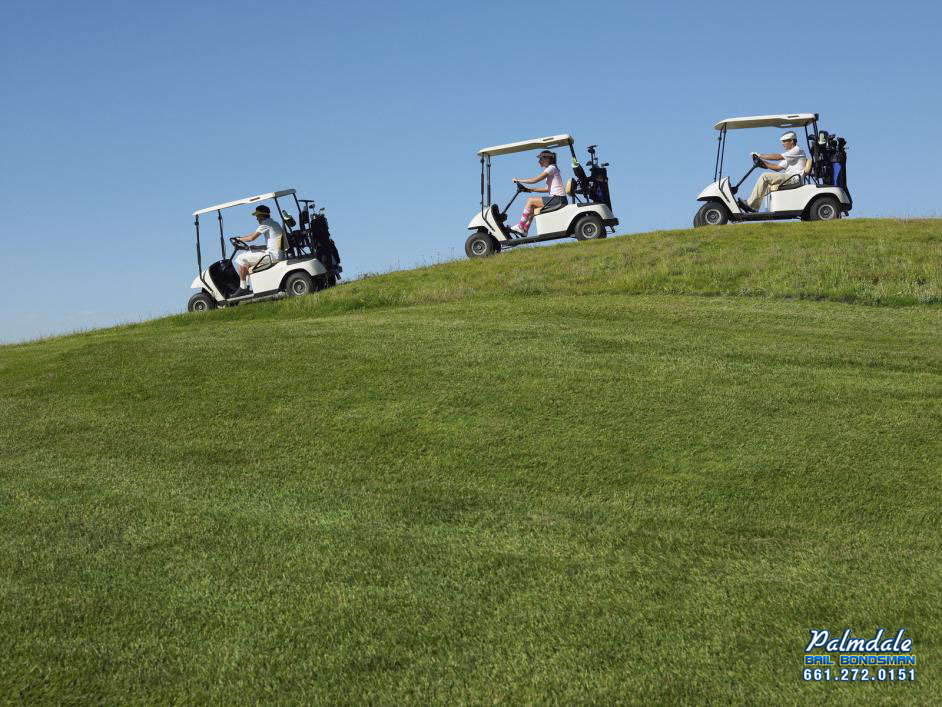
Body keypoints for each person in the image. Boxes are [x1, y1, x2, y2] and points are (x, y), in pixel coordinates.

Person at [738, 131, 807, 213]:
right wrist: (763, 162)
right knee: (765, 181)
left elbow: (777, 157)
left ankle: (751, 204)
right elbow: (777, 168)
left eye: (784, 141)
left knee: (765, 176)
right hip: (789, 177)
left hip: (794, 178)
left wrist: (760, 155)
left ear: (792, 141)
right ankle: (754, 207)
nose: (782, 143)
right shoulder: (790, 155)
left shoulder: (797, 150)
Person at [231, 205, 286, 298]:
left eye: (257, 216)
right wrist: (258, 248)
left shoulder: (266, 224)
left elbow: (251, 237)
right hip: (275, 254)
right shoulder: (274, 223)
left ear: (262, 215)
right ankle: (246, 287)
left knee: (241, 258)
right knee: (245, 258)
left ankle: (243, 288)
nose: (256, 218)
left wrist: (239, 239)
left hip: (272, 256)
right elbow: (272, 244)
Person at [509, 150, 567, 236]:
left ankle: (521, 226)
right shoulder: (553, 168)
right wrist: (530, 189)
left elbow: (535, 180)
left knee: (530, 201)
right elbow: (547, 189)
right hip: (558, 199)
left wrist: (518, 180)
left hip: (558, 199)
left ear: (547, 159)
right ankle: (525, 230)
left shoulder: (551, 168)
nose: (539, 161)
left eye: (540, 159)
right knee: (533, 205)